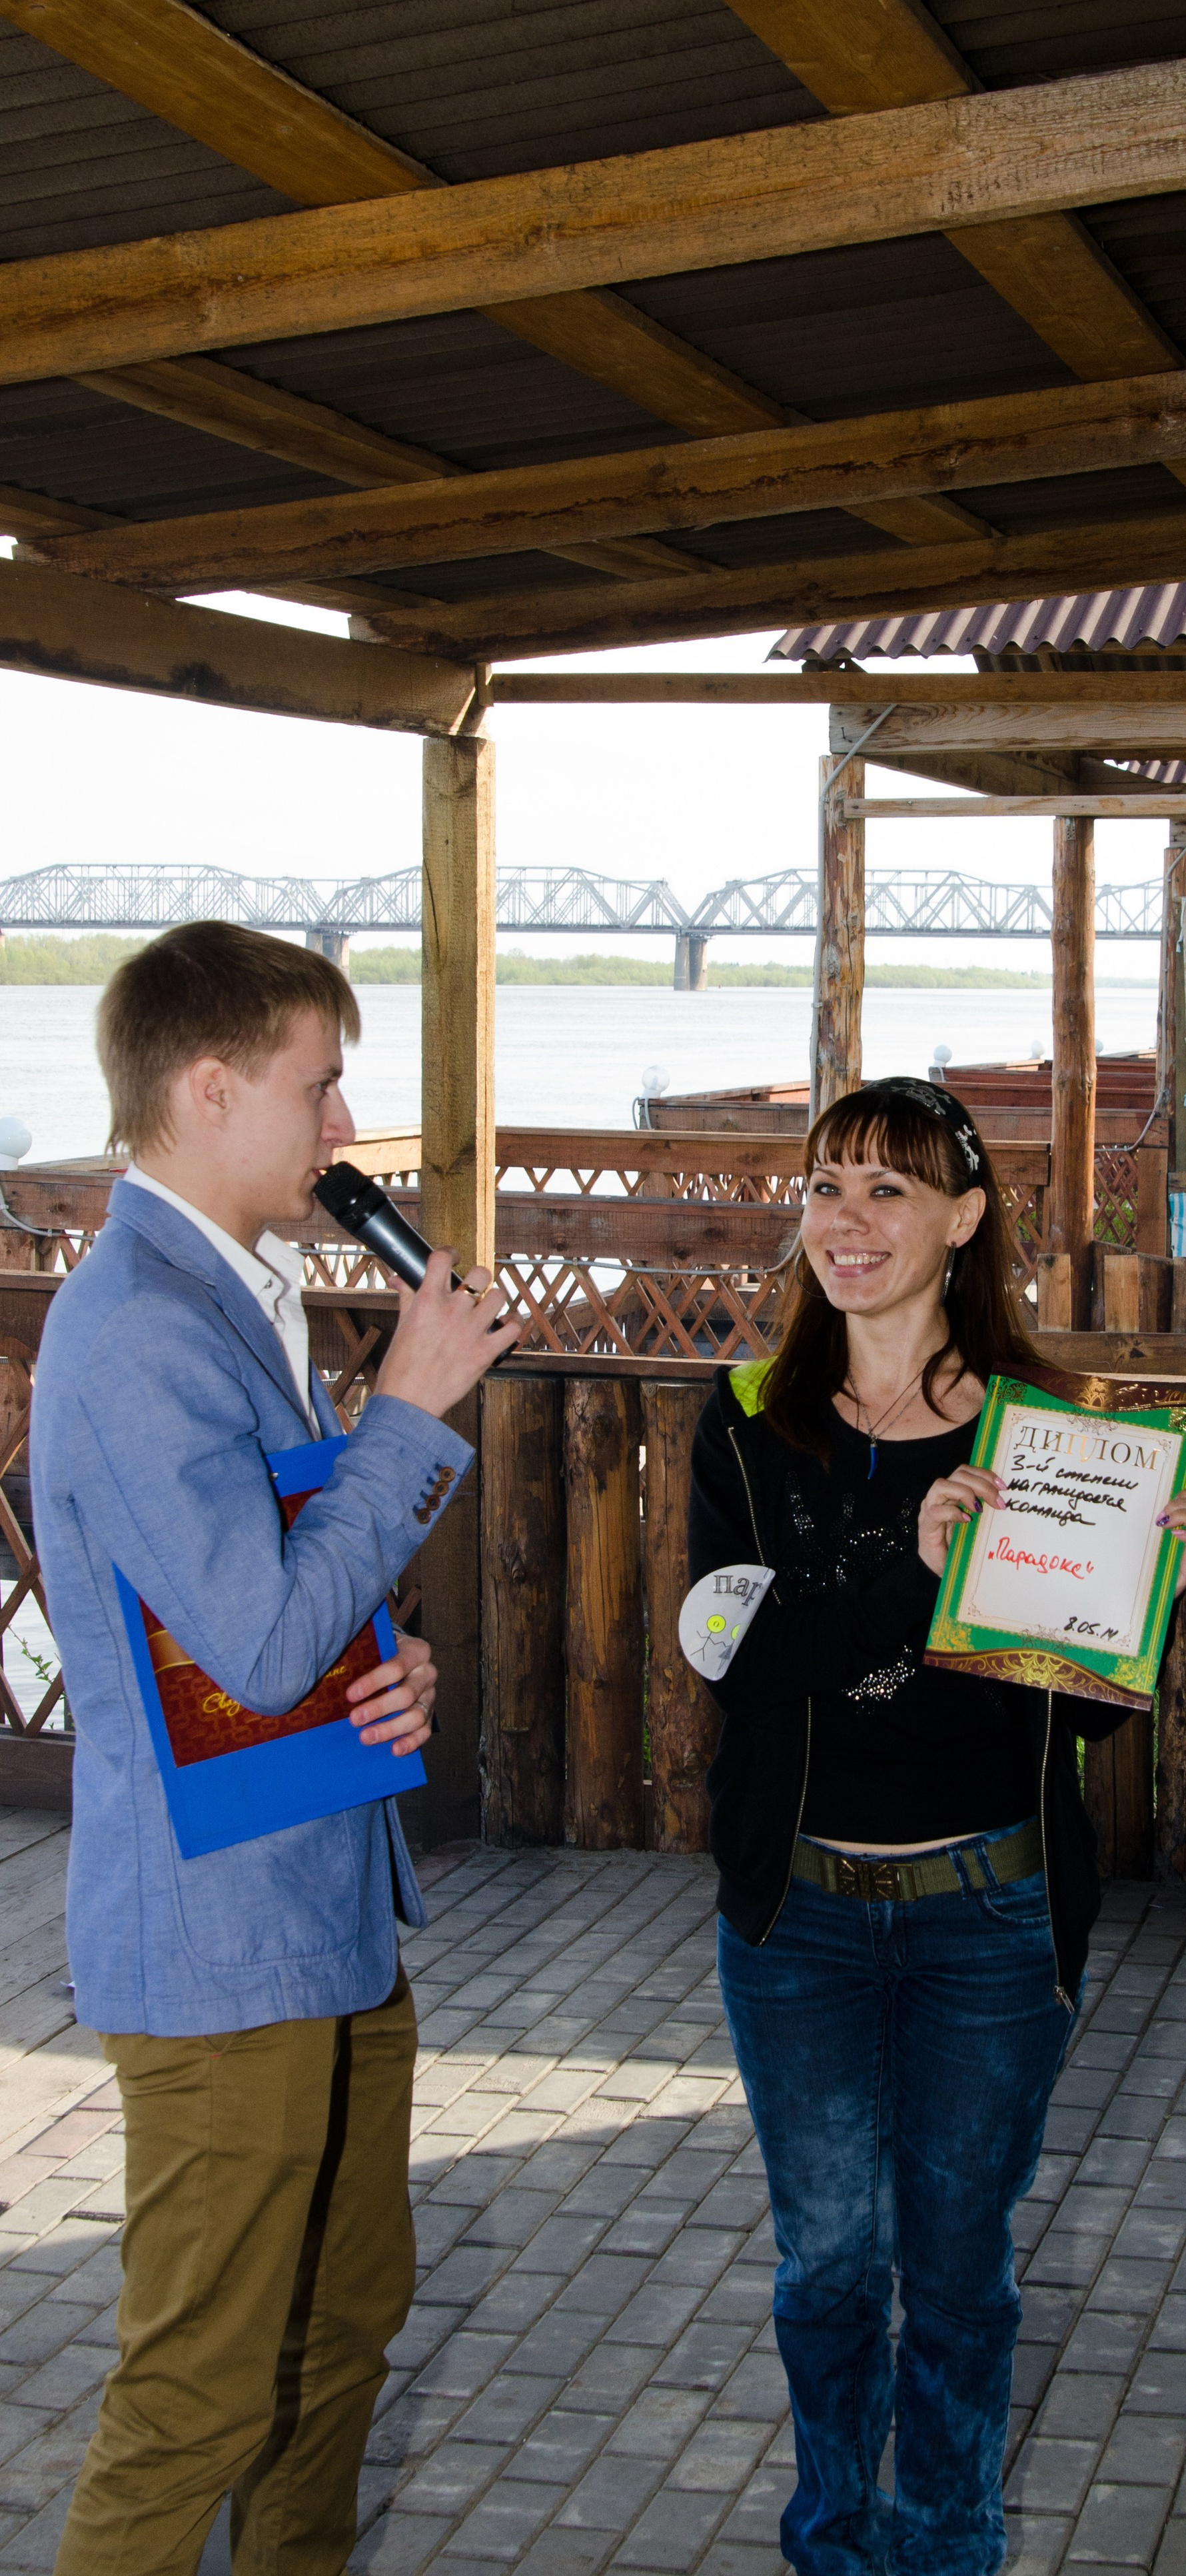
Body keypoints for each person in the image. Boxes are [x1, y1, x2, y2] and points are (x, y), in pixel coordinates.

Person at [30, 921, 520, 2576]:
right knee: (200, 2394)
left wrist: (382, 1665)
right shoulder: (137, 1327)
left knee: (339, 2331)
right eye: (320, 1088)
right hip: (219, 1941)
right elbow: (251, 1640)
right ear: (209, 1087)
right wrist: (410, 1414)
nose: (344, 1128)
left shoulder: (232, 1293)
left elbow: (266, 1610)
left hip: (319, 1907)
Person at [686, 1074, 1186, 2576]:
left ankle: (945, 2544)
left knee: (961, 2272)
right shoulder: (746, 1422)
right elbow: (730, 1655)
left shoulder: (1058, 1435)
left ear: (965, 1217)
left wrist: (1148, 1604)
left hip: (991, 1917)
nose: (845, 1222)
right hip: (796, 1919)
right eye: (825, 1186)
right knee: (826, 2265)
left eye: (888, 1190)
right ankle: (831, 2538)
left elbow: (1078, 1721)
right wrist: (903, 1576)